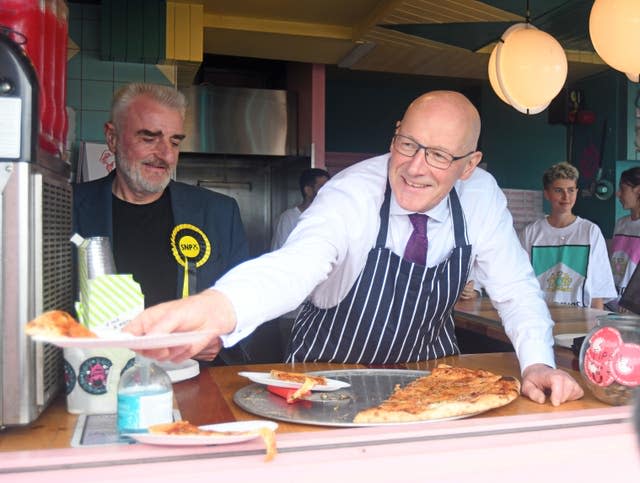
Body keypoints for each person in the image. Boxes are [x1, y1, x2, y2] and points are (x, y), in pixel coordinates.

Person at [126, 90, 584, 406]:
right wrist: (217, 308)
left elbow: (516, 289)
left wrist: (538, 363)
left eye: (440, 155)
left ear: (469, 166)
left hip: (431, 378)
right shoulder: (351, 194)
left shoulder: (482, 196)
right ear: (395, 134)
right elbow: (294, 266)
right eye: (408, 144)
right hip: (324, 378)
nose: (415, 168)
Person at [73, 82, 250, 363]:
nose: (166, 155)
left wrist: (221, 335)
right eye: (149, 138)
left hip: (196, 386)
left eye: (174, 141)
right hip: (98, 385)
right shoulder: (67, 209)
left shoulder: (218, 212)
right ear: (113, 138)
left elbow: (247, 300)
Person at [519, 162, 616, 310]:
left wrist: (595, 328)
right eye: (559, 190)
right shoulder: (530, 233)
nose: (566, 197)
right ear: (546, 193)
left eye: (571, 190)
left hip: (580, 323)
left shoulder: (590, 231)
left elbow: (598, 293)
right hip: (540, 319)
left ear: (577, 192)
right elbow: (519, 284)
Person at [271, 168, 331, 250]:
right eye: (322, 188)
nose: (327, 192)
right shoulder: (288, 218)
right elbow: (278, 252)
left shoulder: (329, 217)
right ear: (308, 190)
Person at [609, 167, 640, 311]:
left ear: (638, 190)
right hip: (612, 303)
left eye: (623, 188)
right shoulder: (620, 223)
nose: (618, 193)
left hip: (633, 307)